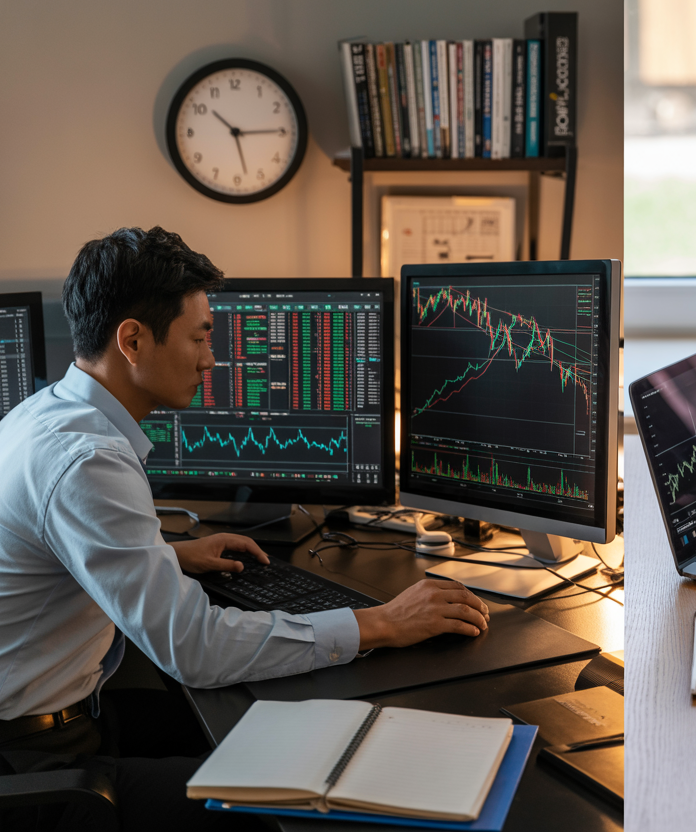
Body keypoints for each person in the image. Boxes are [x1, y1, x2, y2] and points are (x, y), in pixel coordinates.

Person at [0, 227, 491, 831]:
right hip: (38, 767)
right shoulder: (88, 460)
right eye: (199, 337)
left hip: (56, 725)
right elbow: (195, 649)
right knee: (291, 806)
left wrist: (165, 554)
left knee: (277, 738)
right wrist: (382, 622)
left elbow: (50, 550)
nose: (211, 359)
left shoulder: (44, 412)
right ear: (132, 340)